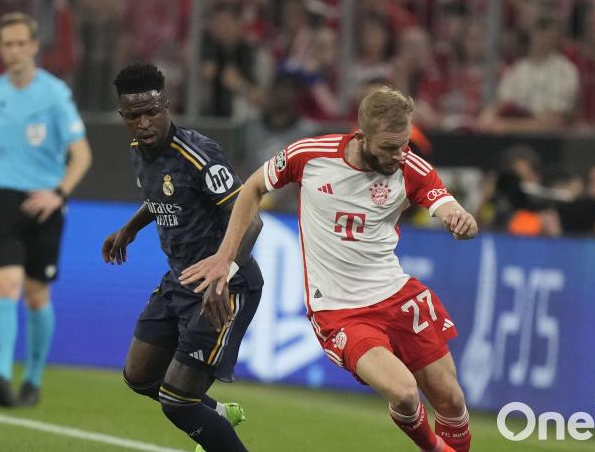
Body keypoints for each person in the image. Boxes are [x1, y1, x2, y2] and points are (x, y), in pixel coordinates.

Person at [181, 86, 476, 452]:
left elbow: (447, 207)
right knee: (403, 392)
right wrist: (226, 257)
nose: (399, 154)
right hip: (340, 311)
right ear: (361, 136)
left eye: (403, 144)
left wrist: (459, 219)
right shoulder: (312, 156)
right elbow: (252, 187)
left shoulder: (410, 167)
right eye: (388, 147)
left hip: (397, 294)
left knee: (451, 399)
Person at [104, 62, 263, 452]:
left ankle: (209, 422)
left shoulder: (200, 155)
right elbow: (162, 194)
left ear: (167, 106)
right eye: (134, 116)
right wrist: (131, 227)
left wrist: (223, 272)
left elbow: (251, 222)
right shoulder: (139, 153)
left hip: (226, 286)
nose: (144, 123)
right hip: (180, 279)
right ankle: (214, 414)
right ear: (123, 117)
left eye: (152, 112)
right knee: (139, 376)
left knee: (177, 402)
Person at [0, 12, 92, 408]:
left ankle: (32, 379)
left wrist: (59, 194)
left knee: (35, 295)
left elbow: (82, 154)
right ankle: (0, 376)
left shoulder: (54, 95)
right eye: (7, 44)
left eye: (21, 43)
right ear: (0, 50)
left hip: (45, 204)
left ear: (34, 47)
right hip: (2, 199)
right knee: (6, 285)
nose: (14, 51)